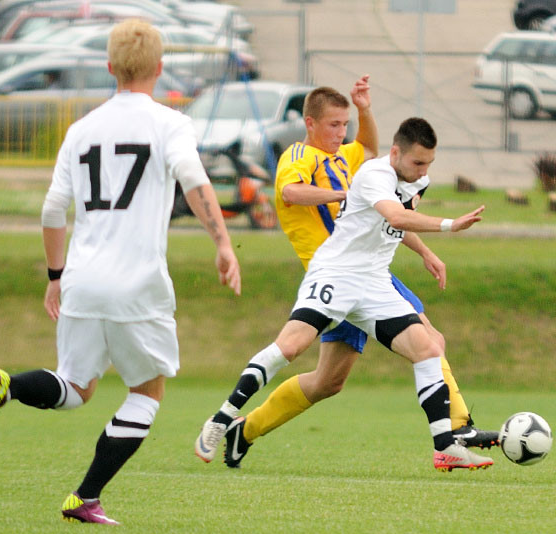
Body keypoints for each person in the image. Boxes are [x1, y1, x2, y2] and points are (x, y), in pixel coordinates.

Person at [0, 19, 241, 525]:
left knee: (75, 387)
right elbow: (194, 179)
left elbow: (51, 212)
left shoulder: (81, 129)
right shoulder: (169, 123)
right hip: (138, 285)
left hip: (83, 279)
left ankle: (9, 385)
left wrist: (55, 276)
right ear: (158, 68)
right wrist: (223, 243)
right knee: (147, 393)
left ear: (110, 67)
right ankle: (85, 496)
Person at [195, 77, 497, 469]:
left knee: (351, 374)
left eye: (345, 124)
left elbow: (377, 172)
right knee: (295, 350)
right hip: (332, 273)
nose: (342, 132)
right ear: (310, 123)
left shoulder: (351, 162)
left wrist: (424, 250)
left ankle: (449, 439)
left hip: (371, 275)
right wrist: (348, 196)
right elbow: (290, 193)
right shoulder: (302, 156)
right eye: (334, 124)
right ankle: (222, 420)